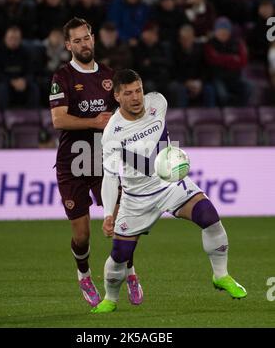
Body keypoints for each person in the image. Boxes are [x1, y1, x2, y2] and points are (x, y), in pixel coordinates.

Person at [92, 69, 247, 313]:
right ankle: (110, 299)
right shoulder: (112, 132)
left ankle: (221, 275)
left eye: (139, 91)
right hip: (136, 198)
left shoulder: (158, 102)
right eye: (129, 93)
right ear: (117, 96)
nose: (136, 98)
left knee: (209, 216)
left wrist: (171, 160)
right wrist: (108, 215)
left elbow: (161, 140)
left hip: (169, 185)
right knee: (121, 254)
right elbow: (110, 176)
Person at [49, 18, 142, 308]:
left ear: (93, 39)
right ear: (68, 45)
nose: (84, 44)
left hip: (105, 161)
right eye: (77, 40)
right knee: (83, 234)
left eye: (86, 38)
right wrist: (95, 121)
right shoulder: (61, 77)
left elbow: (126, 111)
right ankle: (84, 275)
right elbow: (58, 119)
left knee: (122, 221)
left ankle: (130, 272)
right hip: (73, 164)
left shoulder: (110, 76)